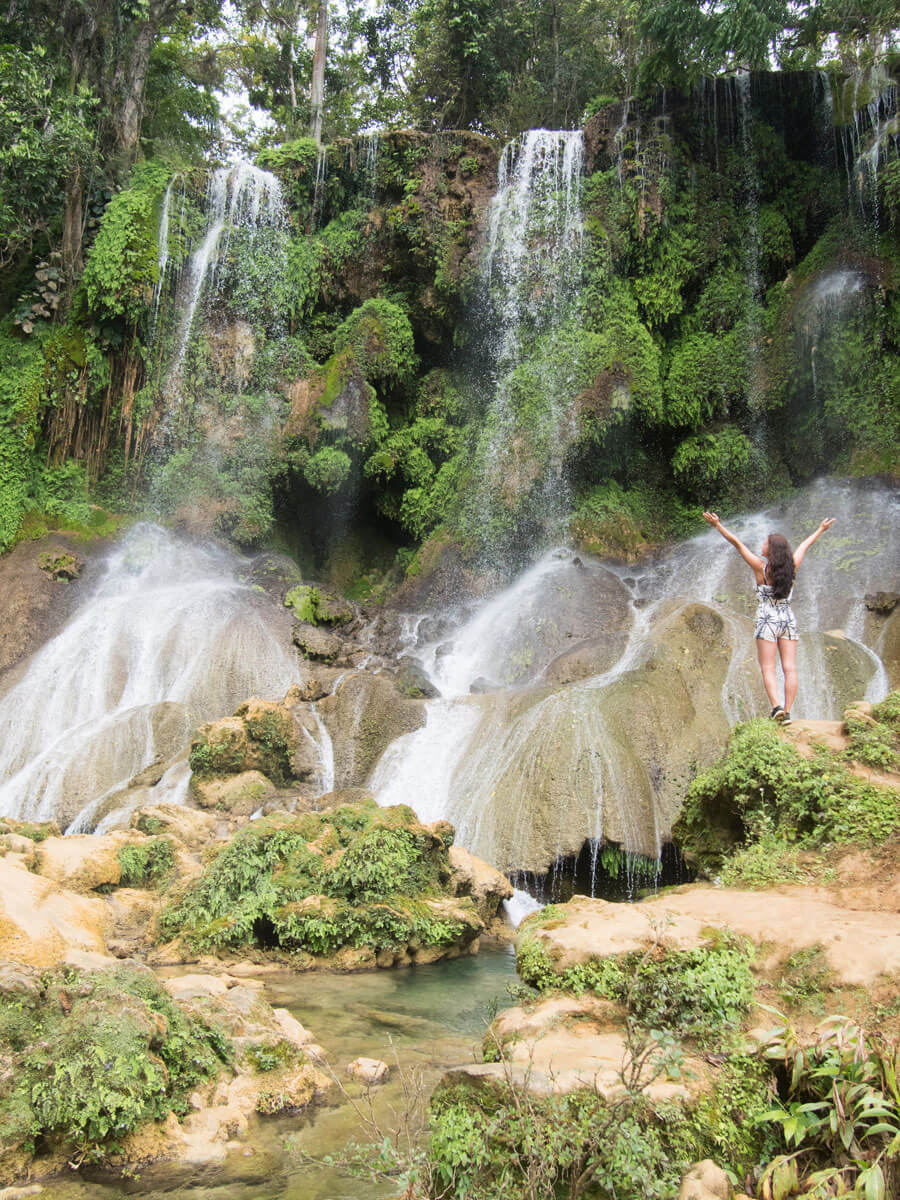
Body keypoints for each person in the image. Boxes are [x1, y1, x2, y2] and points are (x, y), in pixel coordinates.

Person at [701, 511, 835, 724]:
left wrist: (717, 525)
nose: (761, 546)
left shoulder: (760, 568)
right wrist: (820, 529)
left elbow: (737, 543)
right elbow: (804, 546)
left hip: (767, 620)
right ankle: (788, 712)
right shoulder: (792, 566)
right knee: (790, 668)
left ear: (771, 550)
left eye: (765, 543)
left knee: (768, 667)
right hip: (788, 619)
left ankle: (776, 707)